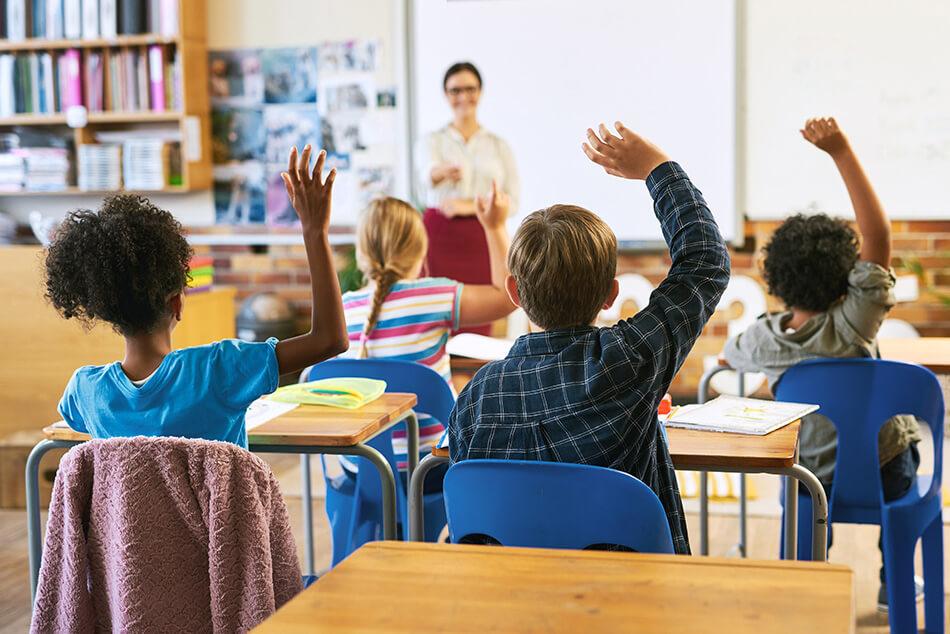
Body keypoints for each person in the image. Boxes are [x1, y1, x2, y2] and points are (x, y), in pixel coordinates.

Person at [448, 122, 731, 554]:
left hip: (512, 604)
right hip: (632, 604)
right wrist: (658, 168)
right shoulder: (629, 361)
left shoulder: (476, 398)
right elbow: (705, 260)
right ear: (610, 295)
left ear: (514, 294)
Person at [722, 117, 921, 611]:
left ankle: (804, 585)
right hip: (884, 469)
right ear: (847, 280)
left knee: (798, 492)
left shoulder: (764, 340)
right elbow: (878, 236)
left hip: (811, 480)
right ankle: (892, 582)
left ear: (776, 278)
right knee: (901, 455)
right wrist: (841, 152)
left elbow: (729, 358)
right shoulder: (856, 321)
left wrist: (774, 386)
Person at [50, 146, 349, 447]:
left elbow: (73, 417)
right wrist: (314, 231)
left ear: (106, 311)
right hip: (220, 498)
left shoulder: (86, 391)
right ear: (176, 304)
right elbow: (330, 339)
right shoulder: (219, 371)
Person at [337, 187, 515, 481]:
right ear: (420, 250)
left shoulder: (344, 309)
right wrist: (494, 227)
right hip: (428, 470)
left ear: (362, 253)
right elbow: (508, 296)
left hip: (362, 470)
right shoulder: (434, 296)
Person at [416, 61, 519, 335]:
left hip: (483, 236)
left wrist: (467, 205)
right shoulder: (431, 141)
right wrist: (439, 173)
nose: (463, 97)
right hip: (439, 237)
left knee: (483, 315)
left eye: (470, 89)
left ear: (480, 92)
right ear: (445, 95)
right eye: (455, 90)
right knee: (435, 313)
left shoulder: (498, 145)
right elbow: (425, 177)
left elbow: (513, 200)